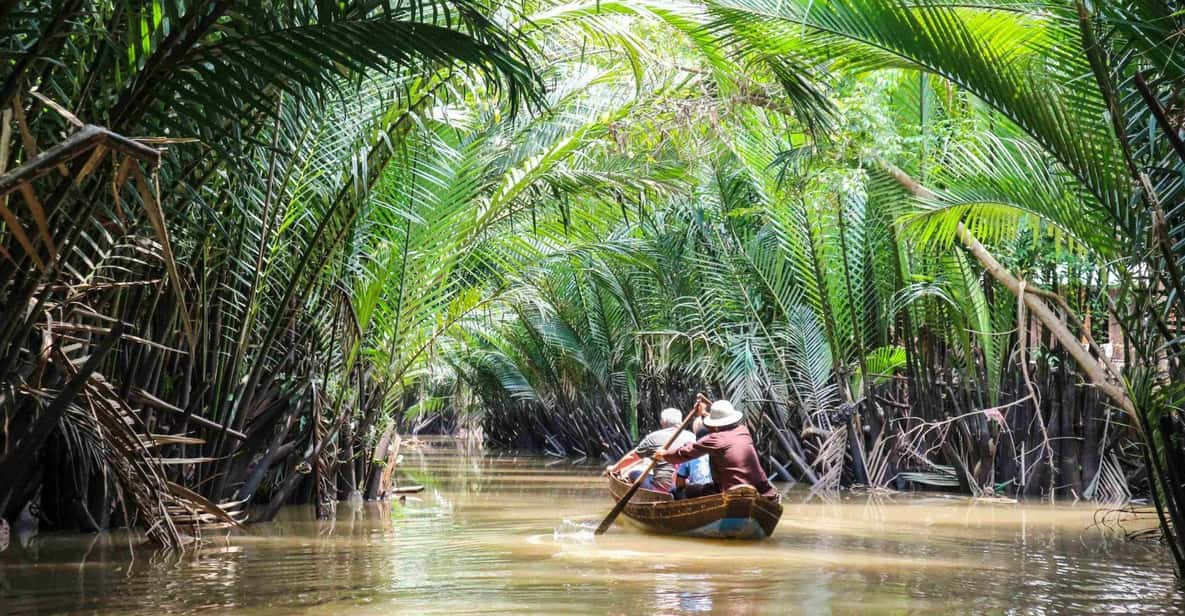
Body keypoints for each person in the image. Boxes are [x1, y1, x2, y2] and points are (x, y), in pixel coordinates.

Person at [654, 399, 776, 499]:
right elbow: (720, 423)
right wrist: (704, 413)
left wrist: (664, 454)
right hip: (762, 490)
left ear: (716, 425)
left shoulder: (715, 439)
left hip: (731, 490)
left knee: (689, 490)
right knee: (702, 488)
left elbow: (684, 453)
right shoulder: (743, 430)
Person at [607, 407, 696, 491]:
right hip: (686, 486)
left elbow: (633, 457)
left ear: (662, 422)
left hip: (663, 489)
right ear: (680, 422)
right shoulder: (693, 437)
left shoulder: (653, 437)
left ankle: (642, 497)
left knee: (633, 473)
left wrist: (614, 469)